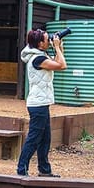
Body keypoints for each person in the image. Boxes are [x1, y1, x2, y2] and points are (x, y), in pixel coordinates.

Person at [16, 28, 67, 177]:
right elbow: (62, 66)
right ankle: (21, 169)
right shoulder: (38, 59)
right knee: (34, 138)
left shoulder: (40, 55)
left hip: (41, 103)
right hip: (37, 105)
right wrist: (56, 47)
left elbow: (57, 62)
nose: (49, 40)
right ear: (39, 43)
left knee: (45, 139)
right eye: (46, 39)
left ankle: (44, 170)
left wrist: (59, 47)